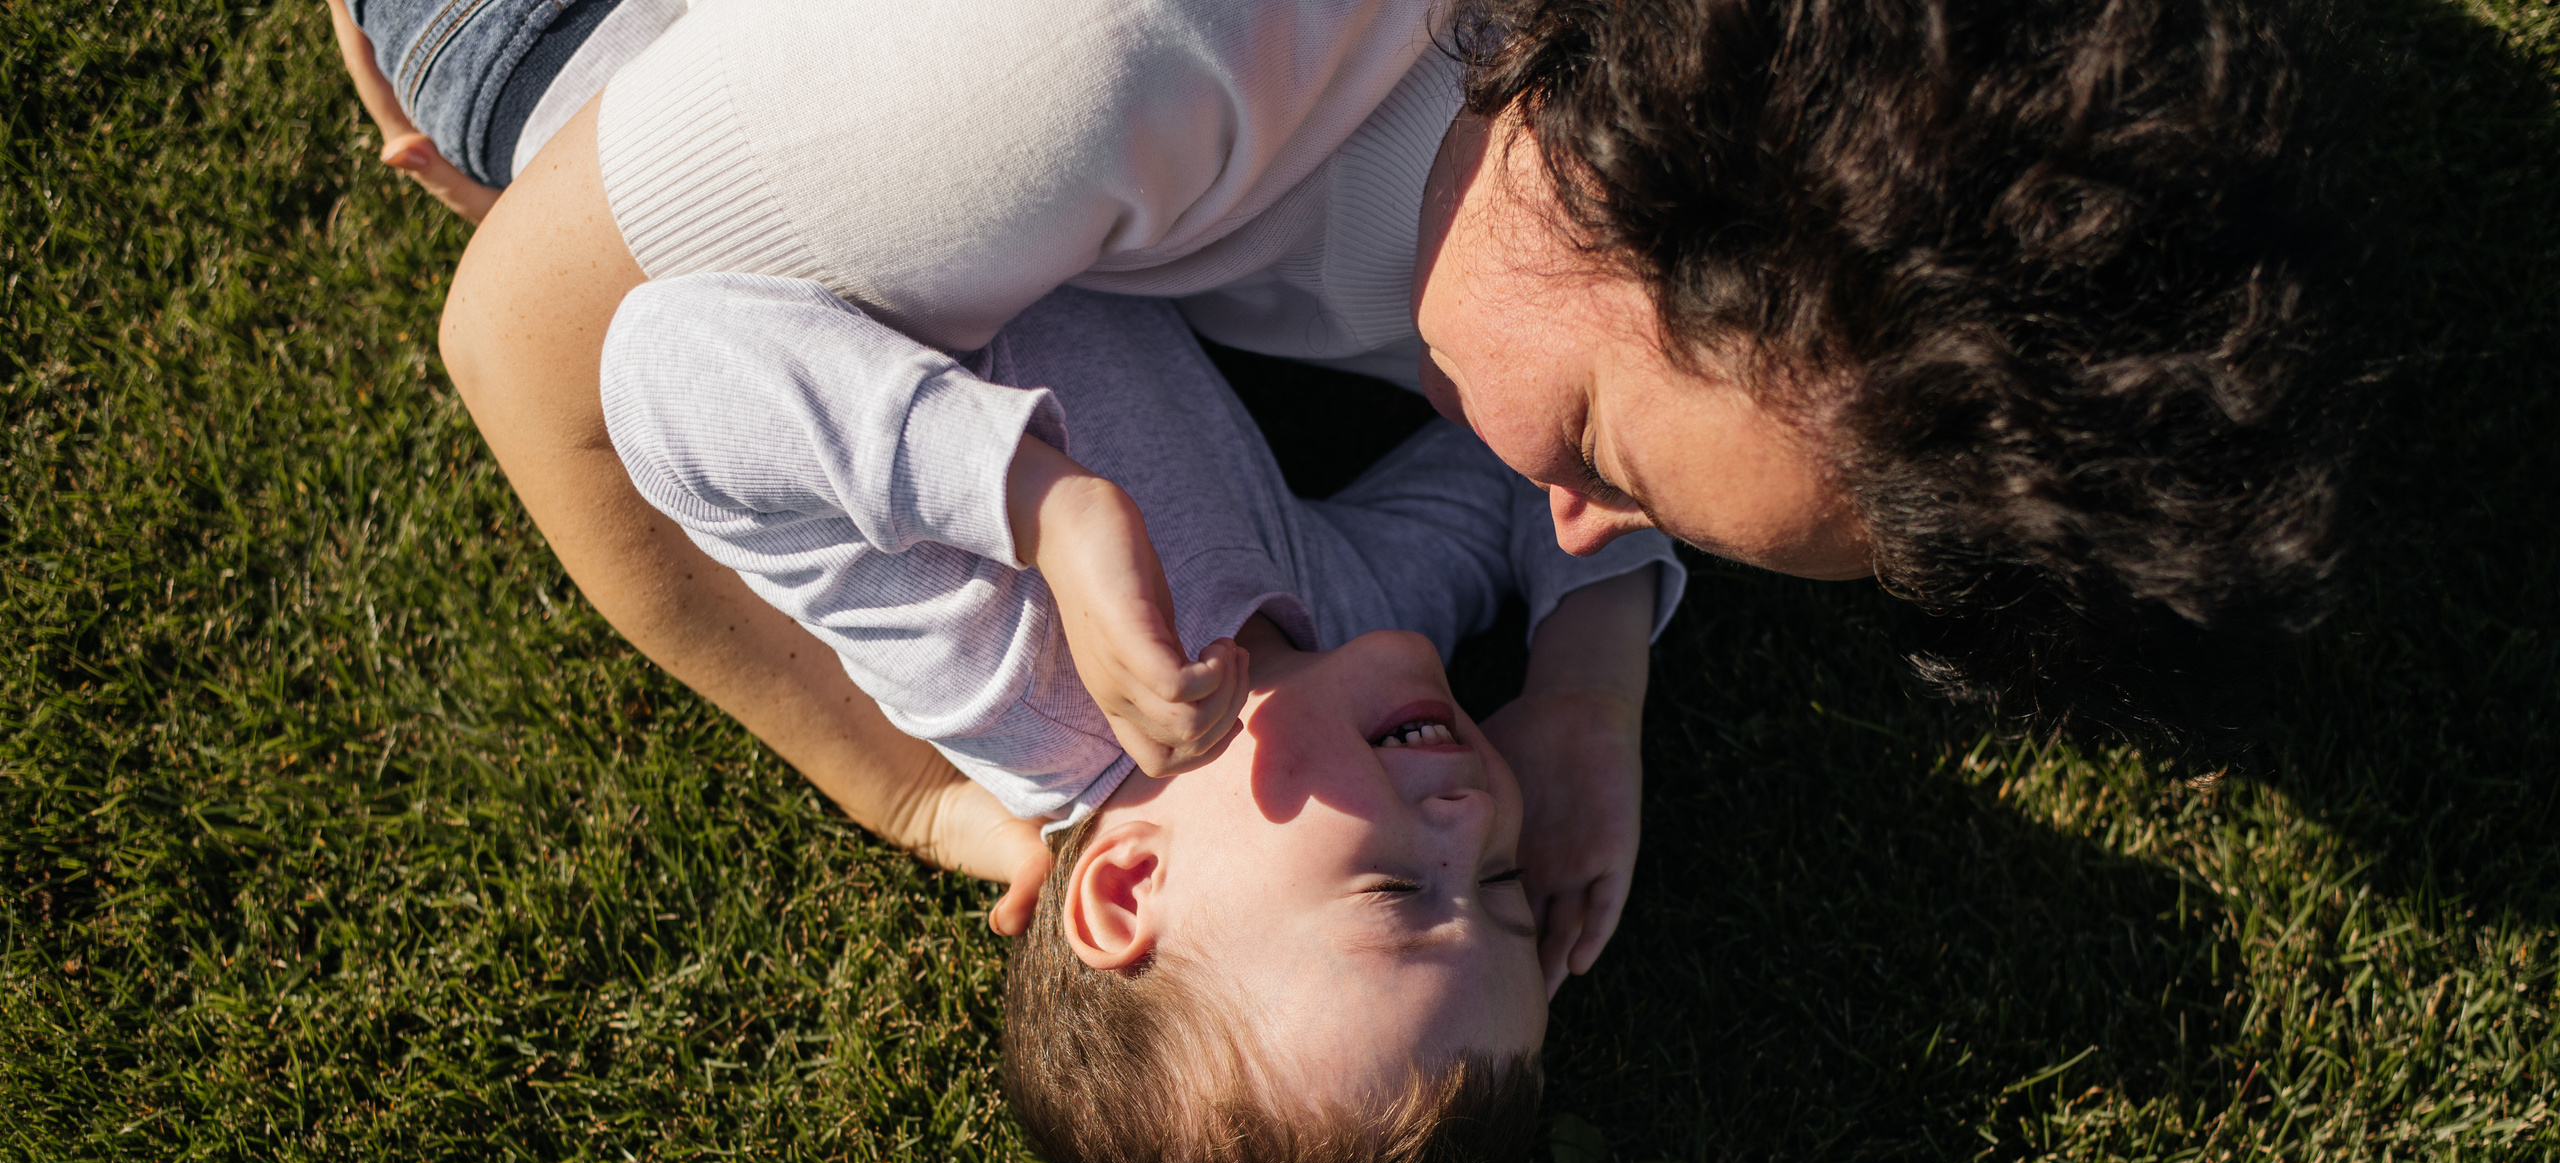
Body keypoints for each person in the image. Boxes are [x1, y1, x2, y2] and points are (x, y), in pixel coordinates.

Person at [337, 0, 2348, 909]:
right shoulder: (1083, 68)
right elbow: (535, 349)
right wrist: (903, 796)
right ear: (1630, 169)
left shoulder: (1629, 140)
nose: (1556, 517)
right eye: (1597, 456)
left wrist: (1586, 671)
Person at [604, 279, 1683, 1163]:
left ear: (1124, 887)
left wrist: (1038, 504)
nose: (1471, 813)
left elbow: (663, 362)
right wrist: (1587, 688)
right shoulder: (1335, 626)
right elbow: (1538, 466)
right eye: (1501, 883)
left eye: (1399, 892)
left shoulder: (1004, 671)